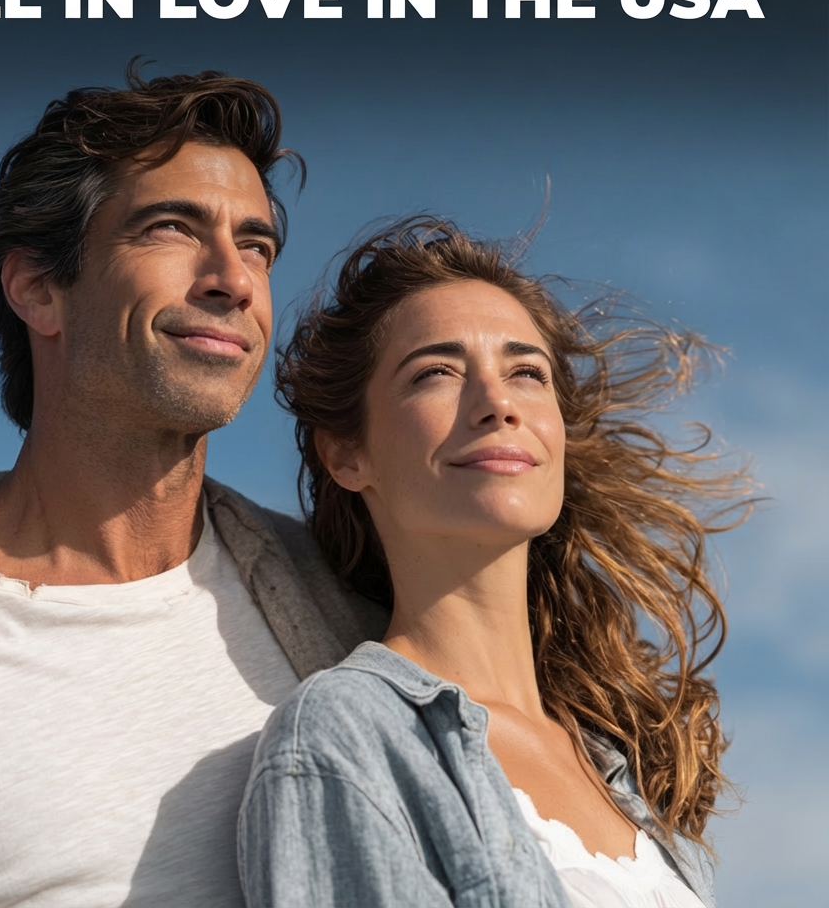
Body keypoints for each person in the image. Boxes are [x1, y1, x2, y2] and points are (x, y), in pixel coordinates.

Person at [0, 64, 387, 908]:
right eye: (170, 229)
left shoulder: (350, 607)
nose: (233, 279)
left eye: (256, 245)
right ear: (38, 289)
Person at [238, 220, 751, 908]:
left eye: (525, 373)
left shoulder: (617, 764)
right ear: (346, 455)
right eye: (437, 373)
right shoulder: (346, 737)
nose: (498, 403)